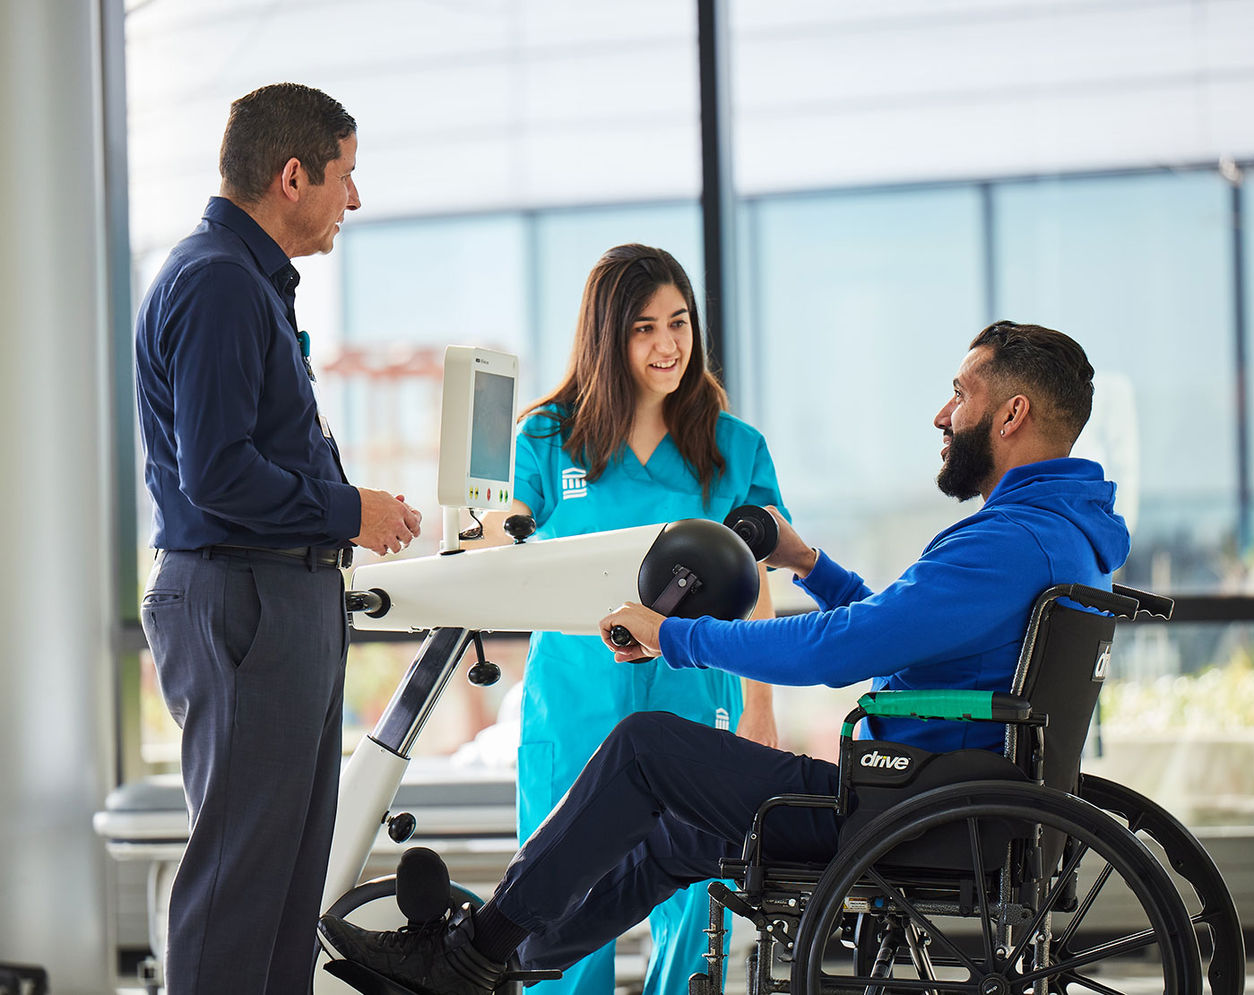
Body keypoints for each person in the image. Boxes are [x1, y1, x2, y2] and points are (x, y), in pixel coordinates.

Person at [320, 321, 1130, 995]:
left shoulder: (1005, 542)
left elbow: (844, 648)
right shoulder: (1064, 533)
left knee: (646, 749)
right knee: (679, 831)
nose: (942, 413)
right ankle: (505, 963)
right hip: (950, 794)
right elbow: (902, 628)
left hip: (902, 805)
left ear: (1013, 412)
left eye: (963, 393)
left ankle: (464, 960)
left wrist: (675, 635)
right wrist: (809, 561)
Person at [134, 83, 423, 995]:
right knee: (242, 881)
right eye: (345, 175)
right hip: (244, 599)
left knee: (287, 890)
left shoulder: (244, 282)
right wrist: (352, 511)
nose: (354, 198)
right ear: (292, 175)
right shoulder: (219, 282)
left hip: (277, 599)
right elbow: (215, 477)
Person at [465, 243, 788, 995]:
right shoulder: (548, 435)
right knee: (561, 896)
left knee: (691, 898)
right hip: (575, 693)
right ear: (608, 336)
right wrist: (492, 524)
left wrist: (763, 704)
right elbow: (508, 516)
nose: (668, 344)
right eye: (644, 328)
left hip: (693, 686)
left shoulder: (733, 448)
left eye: (678, 323)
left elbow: (756, 578)